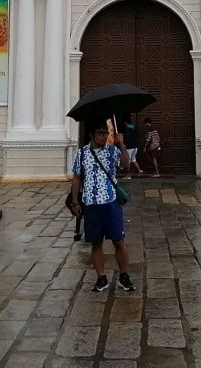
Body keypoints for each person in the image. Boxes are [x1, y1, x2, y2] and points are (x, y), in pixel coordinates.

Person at [70, 125, 136, 292]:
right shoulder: (82, 153)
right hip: (91, 204)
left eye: (106, 133)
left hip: (110, 201)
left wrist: (121, 146)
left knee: (119, 241)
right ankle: (101, 278)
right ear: (92, 134)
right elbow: (77, 178)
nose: (104, 136)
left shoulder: (112, 151)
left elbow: (125, 165)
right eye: (100, 133)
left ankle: (124, 276)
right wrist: (75, 201)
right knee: (96, 243)